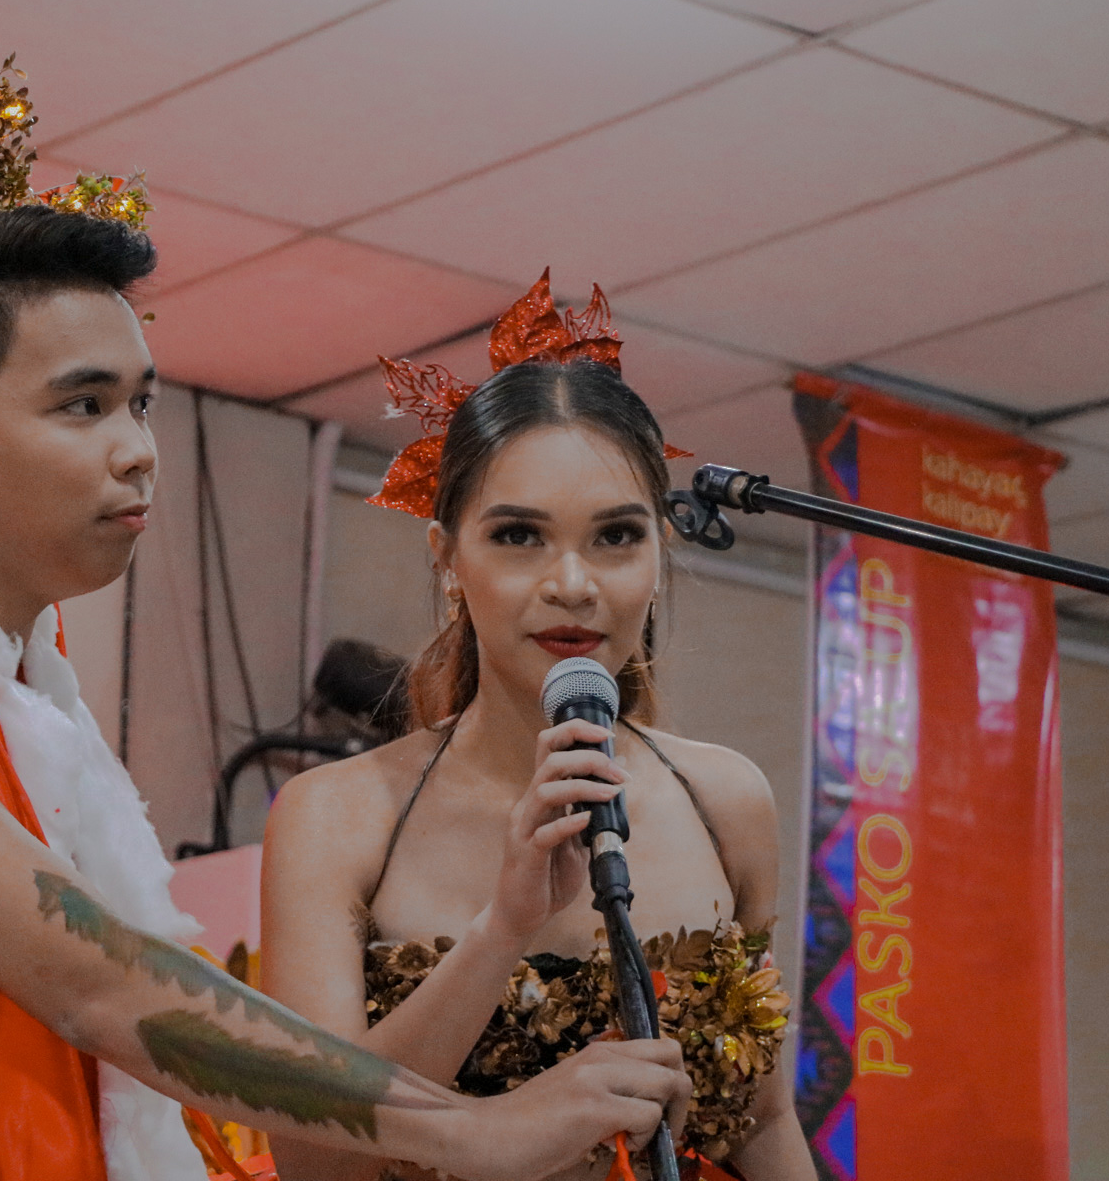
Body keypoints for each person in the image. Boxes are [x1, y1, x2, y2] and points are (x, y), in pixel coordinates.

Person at [0, 210, 692, 1181]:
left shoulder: (23, 690)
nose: (139, 452)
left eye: (141, 403)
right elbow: (98, 982)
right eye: (83, 406)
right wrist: (474, 1131)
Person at [260, 273, 818, 1181]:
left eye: (616, 537)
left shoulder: (727, 798)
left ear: (659, 558)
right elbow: (313, 1161)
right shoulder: (336, 815)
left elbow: (763, 1121)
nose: (572, 584)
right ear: (448, 560)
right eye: (519, 537)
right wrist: (503, 928)